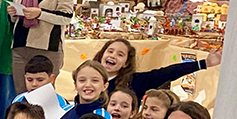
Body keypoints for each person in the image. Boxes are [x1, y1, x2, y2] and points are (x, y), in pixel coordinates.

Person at [95, 37, 223, 96]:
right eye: (110, 51)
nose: (113, 56)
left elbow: (168, 73)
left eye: (120, 54)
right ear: (102, 55)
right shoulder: (88, 77)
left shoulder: (135, 82)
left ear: (126, 63)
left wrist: (204, 63)